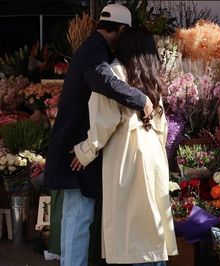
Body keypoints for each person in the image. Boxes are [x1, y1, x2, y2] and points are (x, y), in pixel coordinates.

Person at [44, 3, 153, 266]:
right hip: (76, 151)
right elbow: (102, 79)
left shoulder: (92, 47)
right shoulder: (95, 51)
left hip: (73, 148)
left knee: (75, 219)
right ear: (122, 29)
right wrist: (141, 99)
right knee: (79, 219)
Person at [71, 27, 178, 265]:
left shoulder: (114, 74)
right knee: (151, 225)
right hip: (153, 156)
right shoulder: (153, 81)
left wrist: (85, 151)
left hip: (126, 156)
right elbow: (163, 128)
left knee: (129, 229)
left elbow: (103, 122)